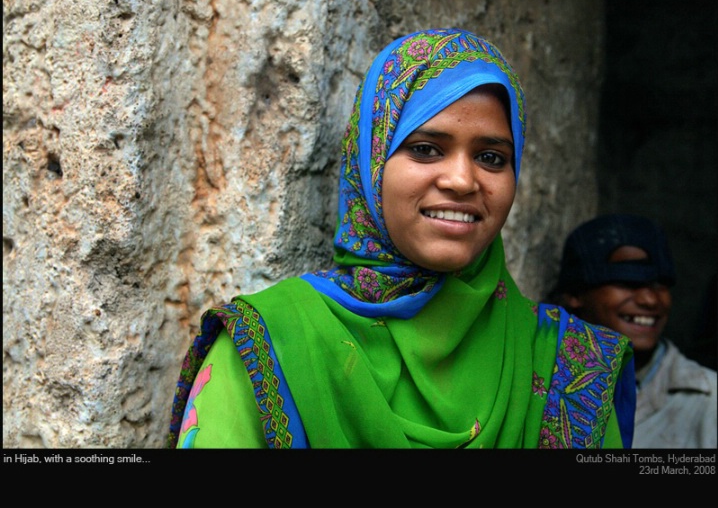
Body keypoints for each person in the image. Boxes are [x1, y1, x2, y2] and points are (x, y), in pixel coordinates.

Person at [166, 28, 635, 449]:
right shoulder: (272, 346)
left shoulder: (567, 365)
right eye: (425, 149)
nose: (462, 180)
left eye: (492, 157)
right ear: (371, 166)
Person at [550, 213, 717, 449]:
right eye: (627, 283)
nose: (650, 300)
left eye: (660, 285)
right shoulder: (539, 381)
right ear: (575, 294)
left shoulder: (709, 400)